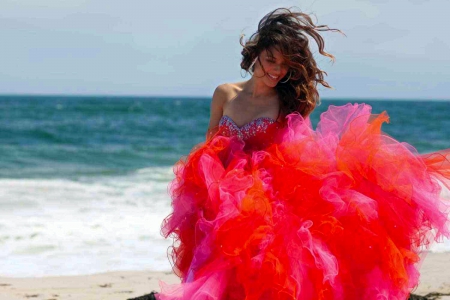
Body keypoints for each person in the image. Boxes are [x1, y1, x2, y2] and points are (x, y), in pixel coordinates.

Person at [156, 7, 450, 300]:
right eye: (271, 60)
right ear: (255, 53)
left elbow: (300, 151)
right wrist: (211, 185)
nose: (276, 70)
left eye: (284, 65)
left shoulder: (288, 103)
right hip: (221, 193)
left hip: (263, 195)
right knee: (216, 264)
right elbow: (211, 141)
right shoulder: (224, 93)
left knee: (262, 269)